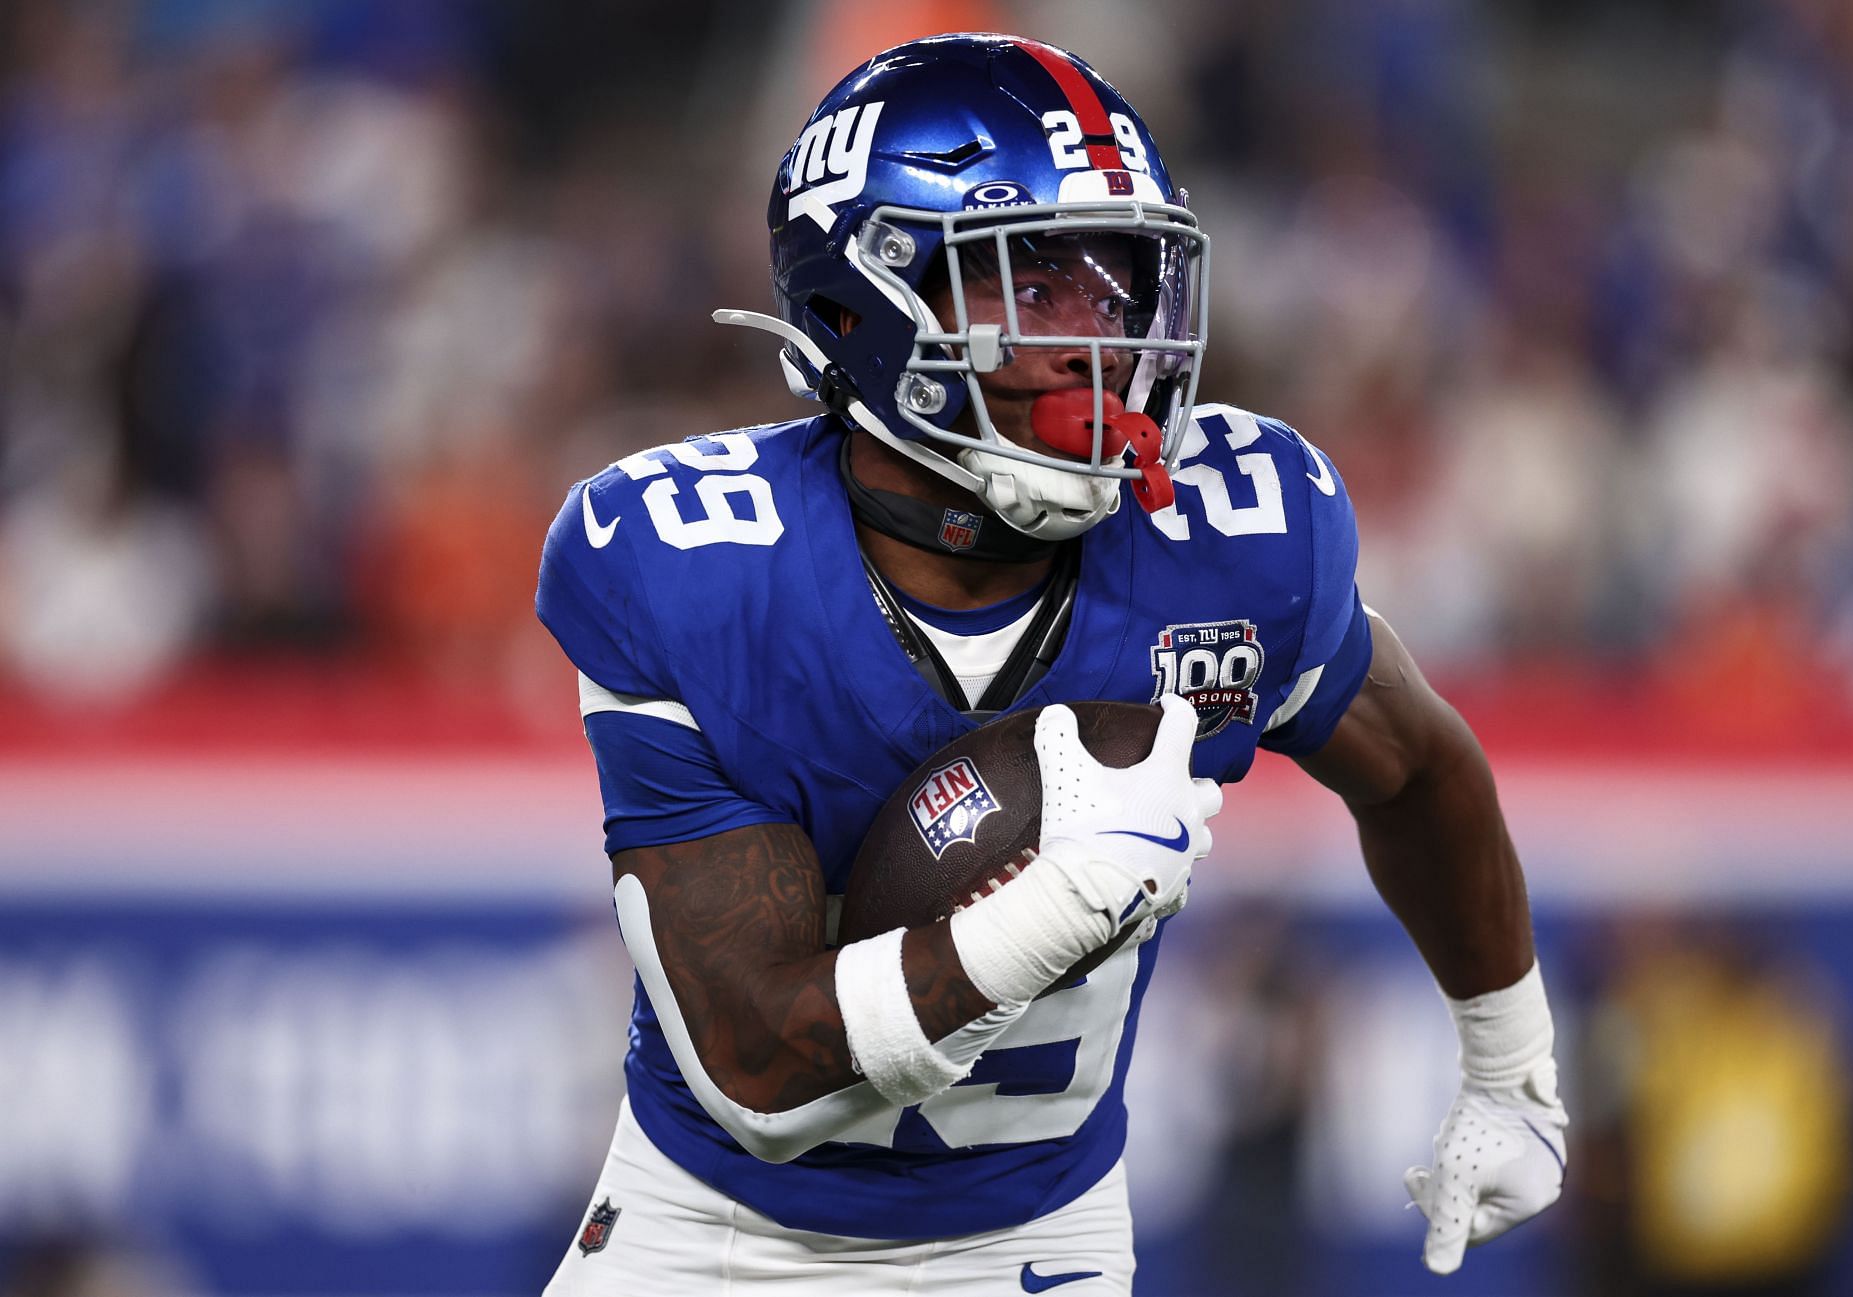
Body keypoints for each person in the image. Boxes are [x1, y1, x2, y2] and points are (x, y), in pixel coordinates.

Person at [536, 33, 1566, 1294]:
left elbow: (1418, 771)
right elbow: (761, 1069)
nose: (1100, 339)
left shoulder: (1232, 541)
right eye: (1033, 283)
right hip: (724, 1234)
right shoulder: (696, 564)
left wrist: (1510, 1066)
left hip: (1038, 1243)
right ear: (863, 304)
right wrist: (1053, 907)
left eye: (1115, 282)